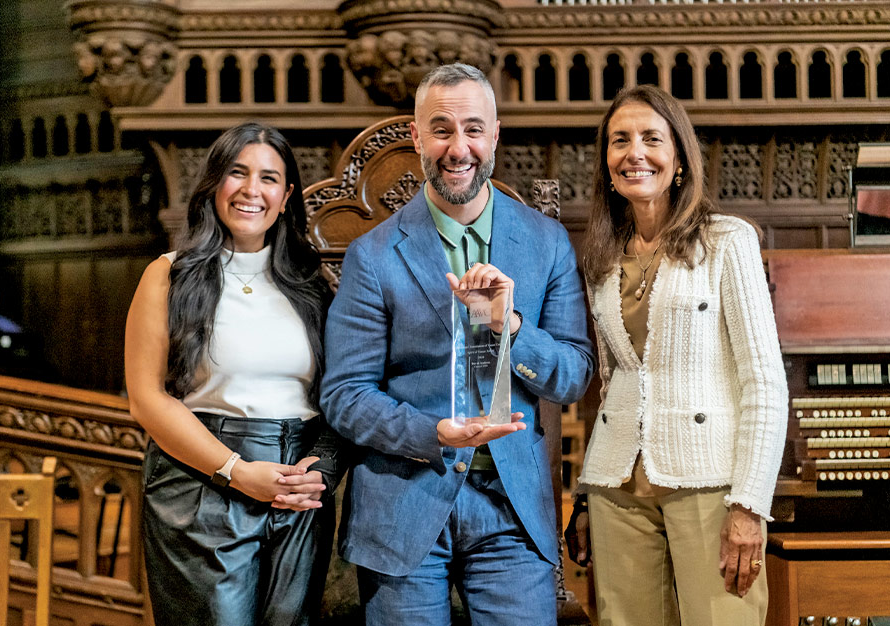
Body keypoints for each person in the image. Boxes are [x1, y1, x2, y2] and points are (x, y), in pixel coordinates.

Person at [320, 63, 595, 626]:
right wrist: (432, 433)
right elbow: (346, 394)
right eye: (441, 129)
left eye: (473, 128)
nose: (458, 147)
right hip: (404, 498)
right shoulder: (372, 256)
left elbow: (573, 375)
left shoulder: (545, 243)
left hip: (510, 505)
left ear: (495, 134)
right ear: (417, 138)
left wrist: (512, 327)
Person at [565, 85, 788, 626]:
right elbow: (614, 381)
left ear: (679, 158)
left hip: (709, 487)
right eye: (620, 141)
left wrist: (748, 506)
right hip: (620, 492)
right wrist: (590, 494)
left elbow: (763, 381)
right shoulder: (601, 256)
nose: (633, 153)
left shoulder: (726, 241)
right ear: (606, 162)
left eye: (650, 139)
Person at [124, 122, 344, 626]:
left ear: (287, 196)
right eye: (237, 173)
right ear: (213, 185)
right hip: (201, 482)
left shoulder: (311, 285)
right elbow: (146, 398)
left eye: (269, 178)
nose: (251, 190)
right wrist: (238, 472)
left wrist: (320, 471)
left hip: (296, 485)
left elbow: (340, 393)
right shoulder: (169, 274)